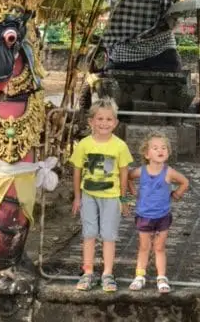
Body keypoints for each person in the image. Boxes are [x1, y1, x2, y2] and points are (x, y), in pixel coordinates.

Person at [70, 97, 133, 292]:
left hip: (112, 198)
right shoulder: (84, 145)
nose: (104, 123)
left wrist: (124, 200)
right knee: (89, 234)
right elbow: (77, 171)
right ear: (91, 122)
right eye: (99, 119)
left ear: (115, 123)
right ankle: (87, 272)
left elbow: (124, 175)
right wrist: (77, 197)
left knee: (108, 235)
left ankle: (107, 273)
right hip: (89, 196)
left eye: (108, 119)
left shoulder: (120, 146)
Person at [128, 133, 189, 293]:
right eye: (155, 148)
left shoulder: (169, 172)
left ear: (168, 153)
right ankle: (139, 275)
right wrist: (133, 190)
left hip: (162, 216)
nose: (160, 150)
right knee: (144, 247)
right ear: (147, 154)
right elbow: (127, 177)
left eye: (163, 148)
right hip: (144, 216)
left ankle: (161, 277)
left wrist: (177, 194)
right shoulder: (141, 171)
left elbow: (185, 181)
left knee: (160, 247)